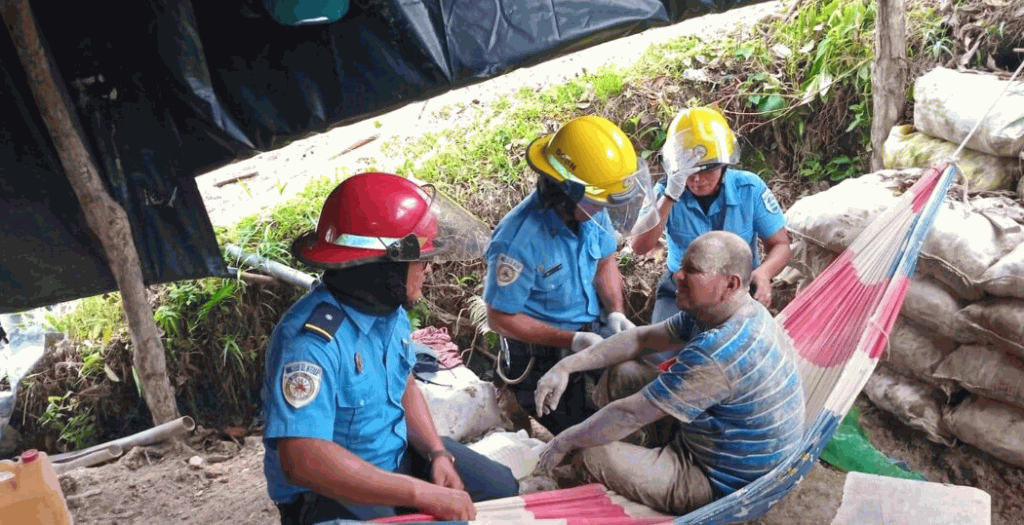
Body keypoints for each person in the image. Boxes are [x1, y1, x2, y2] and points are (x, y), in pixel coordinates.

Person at [261, 172, 518, 525]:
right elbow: (303, 458)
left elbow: (404, 384)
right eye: (421, 260)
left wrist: (437, 453)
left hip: (394, 457)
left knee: (503, 489)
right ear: (383, 267)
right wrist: (418, 493)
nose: (428, 269)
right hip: (331, 491)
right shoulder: (311, 343)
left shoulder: (389, 312)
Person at [532, 231, 805, 515]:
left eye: (692, 270)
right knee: (624, 372)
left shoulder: (719, 352)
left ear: (731, 283)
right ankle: (630, 449)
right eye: (681, 266)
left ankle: (599, 477)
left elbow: (630, 414)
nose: (677, 275)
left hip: (718, 481)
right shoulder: (723, 311)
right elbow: (642, 339)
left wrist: (563, 442)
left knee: (590, 455)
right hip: (712, 437)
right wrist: (567, 365)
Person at [483, 115, 660, 435]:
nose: (602, 209)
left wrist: (616, 312)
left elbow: (605, 261)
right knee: (583, 431)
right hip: (541, 352)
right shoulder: (517, 242)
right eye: (596, 202)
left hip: (592, 330)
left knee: (645, 391)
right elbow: (499, 317)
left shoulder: (590, 207)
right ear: (564, 191)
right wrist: (571, 340)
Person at [632, 107, 791, 357]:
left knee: (747, 357)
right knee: (661, 357)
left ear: (724, 165)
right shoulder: (665, 192)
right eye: (689, 171)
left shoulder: (749, 188)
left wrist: (764, 273)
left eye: (707, 170)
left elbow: (780, 244)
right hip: (681, 289)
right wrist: (670, 196)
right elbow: (639, 247)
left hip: (738, 289)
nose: (697, 179)